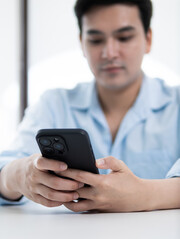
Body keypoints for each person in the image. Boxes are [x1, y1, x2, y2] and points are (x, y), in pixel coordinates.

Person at [0, 0, 180, 212]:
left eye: (124, 38)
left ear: (148, 39)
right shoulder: (54, 104)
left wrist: (144, 194)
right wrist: (19, 175)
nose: (110, 53)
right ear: (81, 43)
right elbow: (6, 168)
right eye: (95, 40)